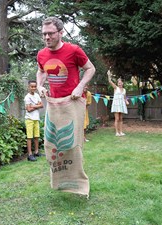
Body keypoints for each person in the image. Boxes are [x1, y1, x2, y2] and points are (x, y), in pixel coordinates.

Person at [36, 16, 95, 197]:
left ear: (61, 33)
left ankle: (78, 184)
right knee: (52, 143)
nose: (46, 37)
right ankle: (59, 182)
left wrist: (80, 86)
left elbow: (90, 68)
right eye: (44, 34)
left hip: (73, 102)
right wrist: (39, 85)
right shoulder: (42, 54)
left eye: (50, 33)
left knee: (72, 144)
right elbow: (40, 71)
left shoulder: (74, 50)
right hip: (54, 104)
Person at [24, 80, 44, 161]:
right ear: (29, 87)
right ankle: (30, 154)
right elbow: (28, 109)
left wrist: (33, 106)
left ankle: (36, 152)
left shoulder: (37, 95)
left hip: (36, 118)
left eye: (35, 86)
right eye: (32, 86)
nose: (33, 88)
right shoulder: (27, 97)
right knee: (29, 137)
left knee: (36, 136)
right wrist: (37, 105)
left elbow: (42, 105)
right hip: (29, 119)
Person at [108, 70, 129, 136]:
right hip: (116, 104)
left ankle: (121, 132)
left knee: (121, 119)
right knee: (117, 119)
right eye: (118, 83)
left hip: (122, 105)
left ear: (122, 83)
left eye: (120, 83)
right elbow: (110, 81)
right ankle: (117, 132)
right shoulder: (115, 88)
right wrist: (109, 75)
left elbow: (125, 98)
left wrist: (126, 101)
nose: (119, 84)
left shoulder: (124, 90)